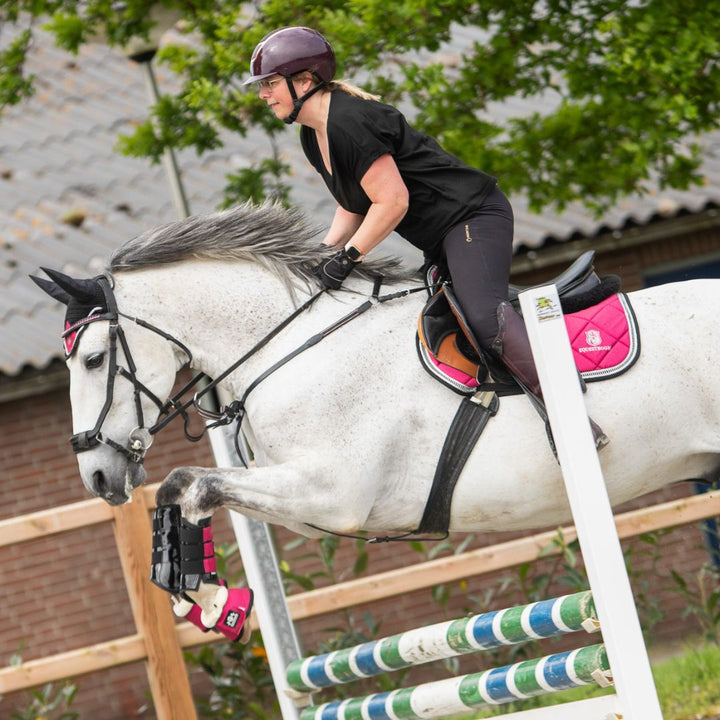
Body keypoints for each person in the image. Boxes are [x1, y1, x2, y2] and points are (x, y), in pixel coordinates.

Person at [244, 26, 607, 449]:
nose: (263, 95)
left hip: (474, 216)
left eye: (269, 84)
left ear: (303, 80)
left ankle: (571, 416)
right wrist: (323, 252)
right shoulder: (313, 133)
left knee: (485, 316)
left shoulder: (349, 121)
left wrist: (349, 257)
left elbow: (392, 202)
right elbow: (355, 201)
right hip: (445, 234)